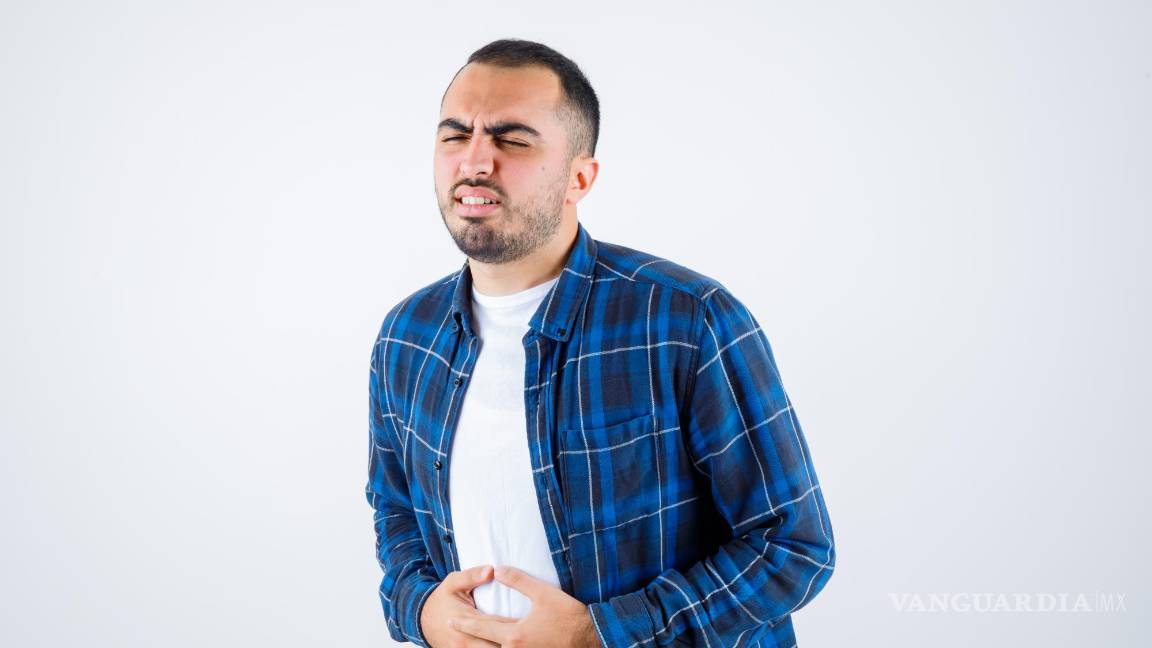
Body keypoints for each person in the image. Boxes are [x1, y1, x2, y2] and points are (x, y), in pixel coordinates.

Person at [366, 38, 835, 648]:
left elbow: (793, 545)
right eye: (455, 135)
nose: (475, 161)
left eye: (512, 139)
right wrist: (422, 610)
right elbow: (396, 510)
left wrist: (599, 634)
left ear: (579, 177)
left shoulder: (686, 319)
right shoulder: (406, 337)